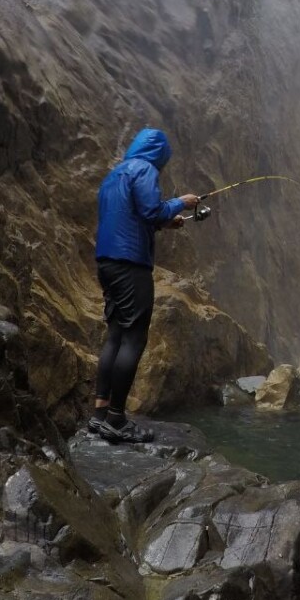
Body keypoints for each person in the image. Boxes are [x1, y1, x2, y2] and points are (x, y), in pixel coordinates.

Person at [90, 127, 198, 443]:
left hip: (107, 262)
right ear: (159, 153)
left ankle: (99, 415)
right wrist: (180, 203)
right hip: (131, 264)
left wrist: (165, 223)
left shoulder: (114, 175)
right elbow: (152, 209)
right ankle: (117, 420)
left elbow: (131, 216)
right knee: (134, 339)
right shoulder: (145, 169)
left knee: (115, 335)